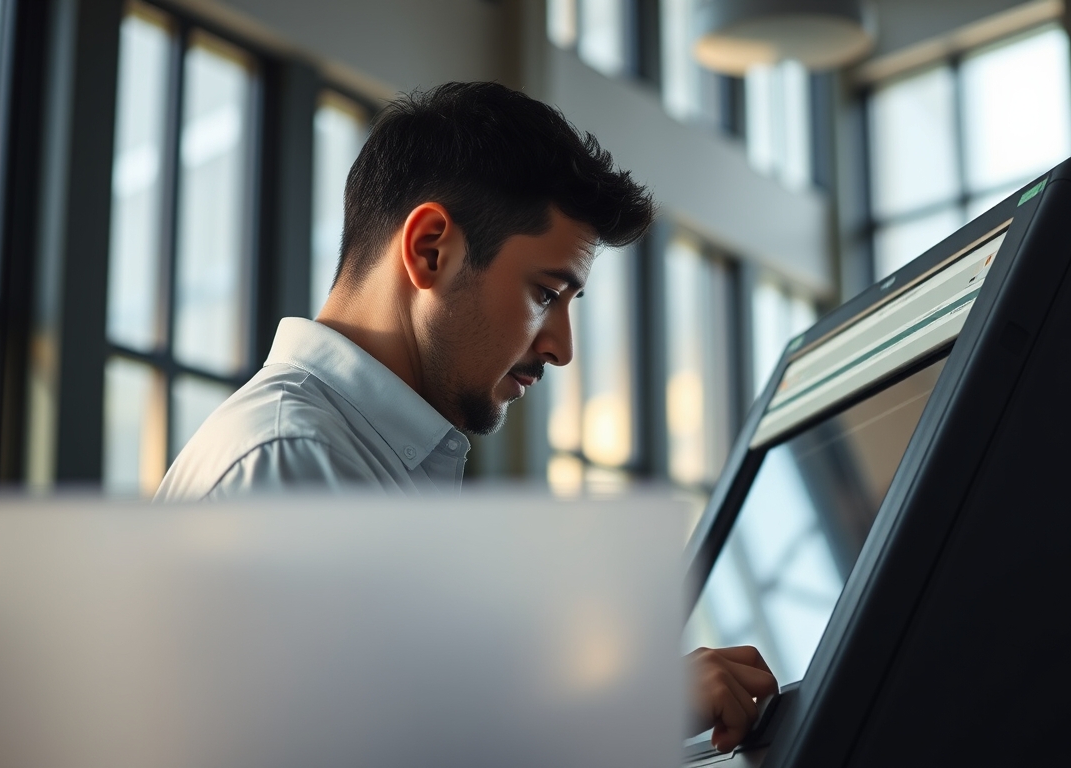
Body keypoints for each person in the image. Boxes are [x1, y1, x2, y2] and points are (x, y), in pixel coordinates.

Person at [156, 81, 776, 752]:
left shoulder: (358, 462)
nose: (561, 348)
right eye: (546, 293)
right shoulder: (291, 462)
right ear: (429, 249)